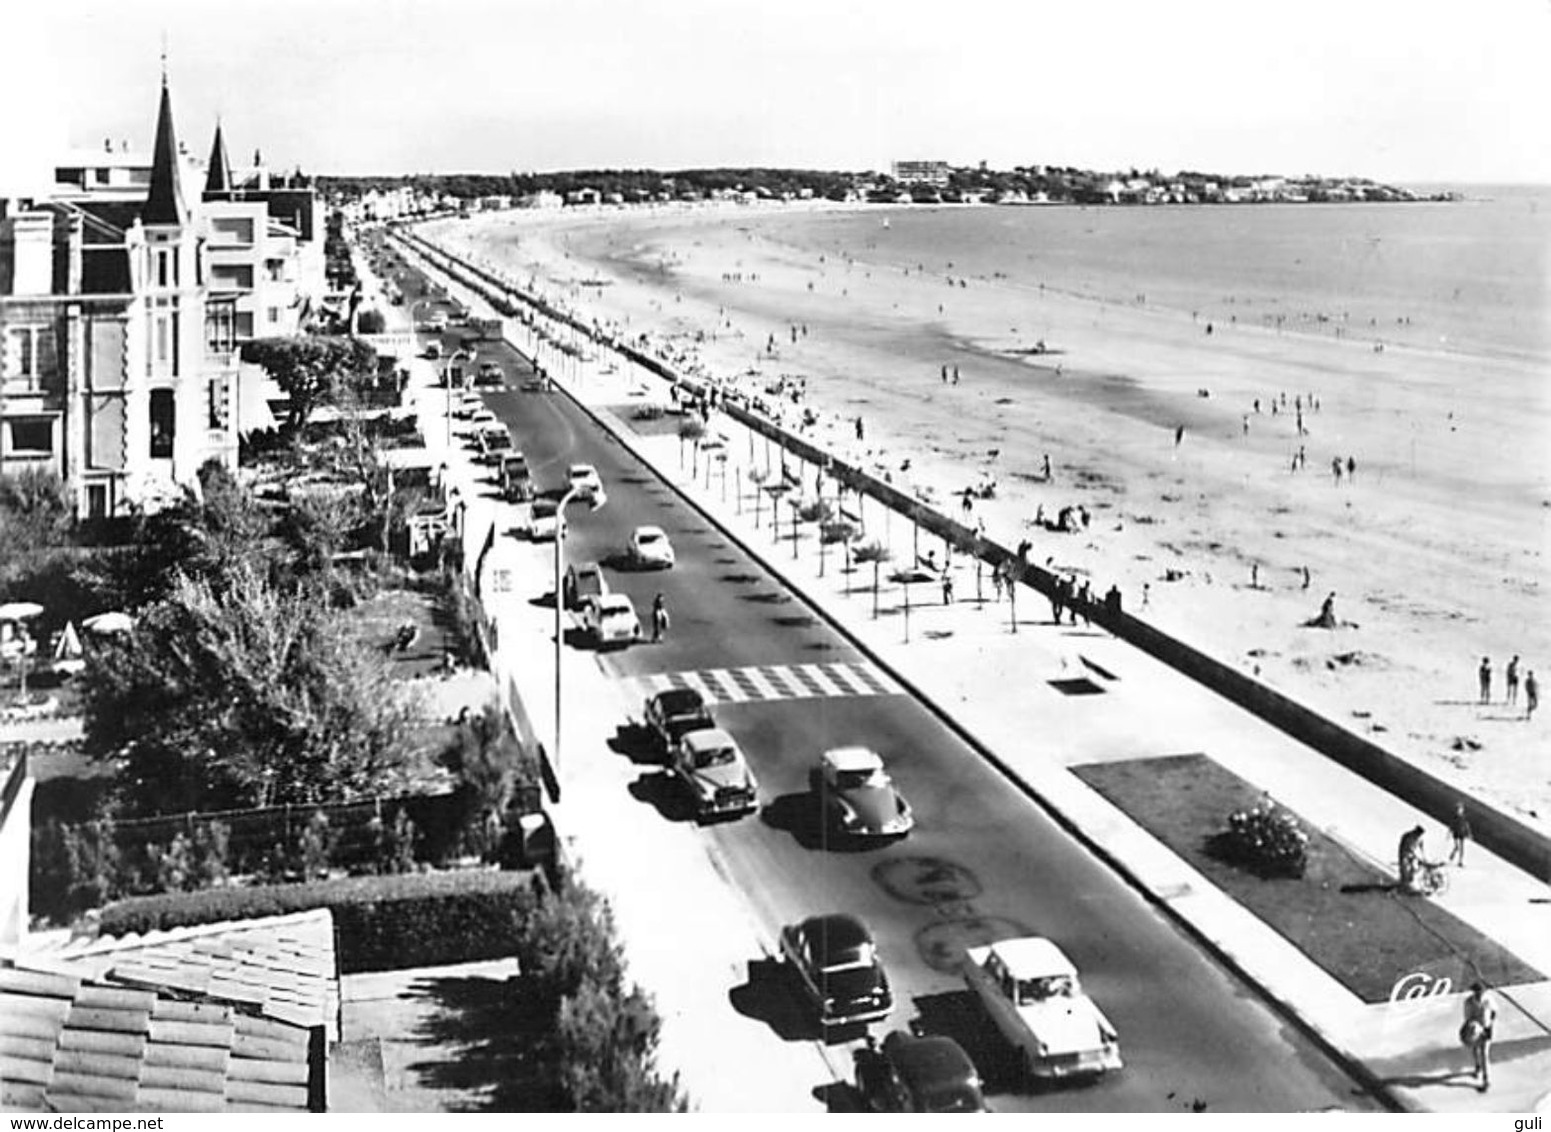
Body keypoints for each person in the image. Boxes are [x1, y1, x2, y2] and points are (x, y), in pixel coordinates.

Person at [1461, 982, 1497, 1091]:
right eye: (1477, 992)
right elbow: (1468, 1018)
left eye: (1481, 992)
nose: (1479, 994)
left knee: (1484, 1054)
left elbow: (1494, 1011)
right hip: (1474, 1029)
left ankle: (1486, 1080)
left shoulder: (1488, 1000)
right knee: (1475, 1050)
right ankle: (1477, 1067)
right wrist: (1473, 1029)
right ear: (1474, 992)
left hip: (1486, 1028)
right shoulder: (1468, 1002)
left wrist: (1490, 1024)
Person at [1398, 825, 1427, 894]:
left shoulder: (1420, 838)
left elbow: (1421, 847)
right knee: (1404, 869)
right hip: (1405, 853)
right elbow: (1403, 846)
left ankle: (1408, 883)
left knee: (1414, 869)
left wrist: (1423, 857)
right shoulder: (1408, 836)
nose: (1419, 835)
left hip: (1412, 855)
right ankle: (1403, 884)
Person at [1448, 802, 1472, 867]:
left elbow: (1467, 825)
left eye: (1460, 809)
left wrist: (1469, 833)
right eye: (1458, 809)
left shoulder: (1464, 817)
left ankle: (1460, 861)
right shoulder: (1455, 817)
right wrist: (1449, 833)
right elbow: (1451, 825)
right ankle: (1453, 854)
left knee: (1461, 848)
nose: (1459, 811)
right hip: (1456, 832)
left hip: (1462, 833)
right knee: (1457, 847)